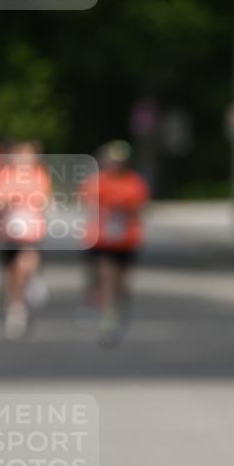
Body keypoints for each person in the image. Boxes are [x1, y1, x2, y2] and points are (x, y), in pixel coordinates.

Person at [79, 140, 149, 346]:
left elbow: (140, 206)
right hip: (102, 239)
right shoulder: (97, 182)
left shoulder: (133, 182)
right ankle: (107, 317)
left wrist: (124, 207)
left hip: (125, 239)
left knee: (121, 281)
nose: (116, 165)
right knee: (105, 276)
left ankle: (117, 308)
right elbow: (88, 203)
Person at [0, 141, 52, 339]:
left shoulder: (39, 175)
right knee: (11, 273)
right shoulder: (5, 175)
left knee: (24, 264)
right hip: (9, 232)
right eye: (20, 155)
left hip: (30, 232)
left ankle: (28, 288)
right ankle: (14, 307)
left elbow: (44, 200)